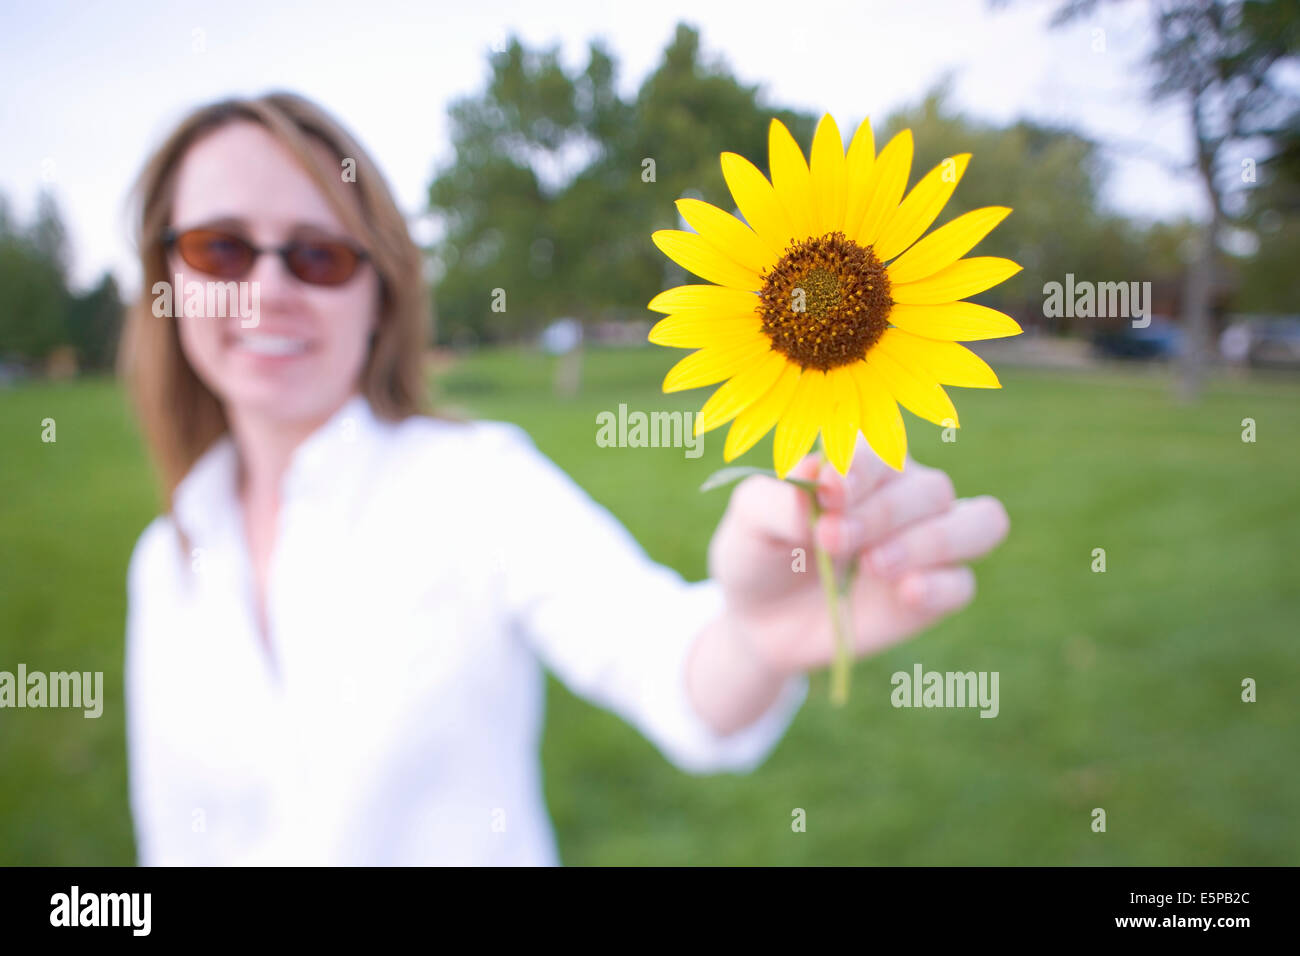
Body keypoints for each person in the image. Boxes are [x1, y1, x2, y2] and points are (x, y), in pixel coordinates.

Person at [119, 92, 1011, 866]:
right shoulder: (167, 562)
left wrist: (757, 637)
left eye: (319, 255)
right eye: (220, 249)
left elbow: (660, 658)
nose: (268, 291)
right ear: (165, 279)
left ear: (380, 292)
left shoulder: (478, 488)